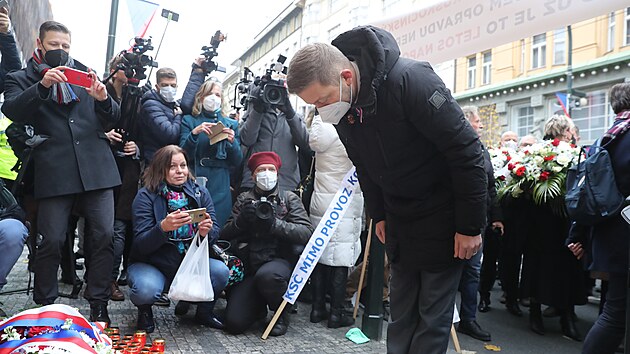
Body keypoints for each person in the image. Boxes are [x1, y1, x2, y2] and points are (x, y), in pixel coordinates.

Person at [287, 26, 487, 353]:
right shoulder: (344, 109)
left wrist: (468, 226)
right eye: (315, 105)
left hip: (445, 219)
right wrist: (378, 215)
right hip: (399, 221)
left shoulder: (412, 81)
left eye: (322, 99)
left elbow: (466, 151)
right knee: (401, 315)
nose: (323, 110)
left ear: (347, 77)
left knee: (431, 319)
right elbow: (365, 167)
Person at [2, 21, 121, 323]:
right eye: (54, 45)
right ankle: (45, 305)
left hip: (96, 166)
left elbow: (112, 118)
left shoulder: (84, 72)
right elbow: (13, 110)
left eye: (65, 46)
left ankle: (98, 302)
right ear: (39, 44)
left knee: (104, 235)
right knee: (51, 239)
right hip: (54, 169)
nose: (61, 50)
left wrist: (104, 99)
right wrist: (42, 86)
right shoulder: (21, 77)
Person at [129, 145, 229, 333]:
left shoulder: (200, 192)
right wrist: (163, 228)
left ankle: (204, 311)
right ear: (161, 169)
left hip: (188, 261)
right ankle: (144, 311)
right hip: (153, 263)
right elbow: (140, 244)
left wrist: (205, 232)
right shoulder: (145, 196)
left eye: (183, 165)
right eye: (172, 166)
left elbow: (215, 232)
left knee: (221, 272)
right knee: (145, 289)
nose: (179, 171)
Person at [221, 151, 313, 336]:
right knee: (234, 323)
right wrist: (241, 222)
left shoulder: (289, 198)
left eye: (271, 169)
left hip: (277, 260)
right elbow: (224, 234)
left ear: (277, 173)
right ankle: (257, 308)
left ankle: (281, 314)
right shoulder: (244, 198)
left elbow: (306, 232)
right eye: (261, 169)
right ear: (253, 175)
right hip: (249, 265)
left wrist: (274, 224)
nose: (266, 173)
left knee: (268, 276)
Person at [569, 83, 630, 354]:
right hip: (625, 234)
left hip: (612, 235)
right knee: (615, 316)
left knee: (614, 312)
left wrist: (577, 235)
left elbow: (592, 192)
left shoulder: (606, 138)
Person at [521, 114, 585, 341]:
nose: (571, 135)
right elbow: (527, 182)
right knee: (539, 264)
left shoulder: (575, 153)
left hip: (565, 218)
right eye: (569, 131)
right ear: (564, 131)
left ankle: (567, 314)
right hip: (542, 219)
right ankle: (535, 312)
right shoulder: (539, 152)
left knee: (566, 265)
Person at [308, 112, 364, 328]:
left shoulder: (320, 126)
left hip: (321, 199)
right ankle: (336, 313)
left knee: (320, 253)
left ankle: (317, 308)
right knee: (340, 257)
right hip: (345, 200)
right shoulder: (348, 126)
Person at [456, 106, 498, 341]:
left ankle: (468, 320)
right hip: (457, 224)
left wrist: (497, 216)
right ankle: (443, 320)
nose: (481, 125)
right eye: (478, 120)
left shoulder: (482, 149)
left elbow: (490, 185)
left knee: (472, 272)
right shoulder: (454, 145)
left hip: (478, 222)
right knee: (450, 274)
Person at [104, 53, 144, 301]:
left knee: (119, 230)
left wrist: (136, 147)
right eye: (124, 67)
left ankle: (110, 280)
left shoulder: (138, 97)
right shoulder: (99, 90)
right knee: (101, 231)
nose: (129, 73)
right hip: (101, 169)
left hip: (127, 173)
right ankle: (95, 279)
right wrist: (103, 135)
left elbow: (147, 133)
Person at [180, 79, 242, 227]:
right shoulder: (189, 120)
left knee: (217, 226)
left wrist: (232, 142)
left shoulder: (230, 124)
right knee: (195, 224)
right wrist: (194, 134)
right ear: (201, 98)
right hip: (196, 178)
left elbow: (238, 160)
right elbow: (182, 153)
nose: (214, 98)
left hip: (220, 182)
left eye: (218, 95)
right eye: (210, 94)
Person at [238, 83, 310, 193]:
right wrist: (257, 110)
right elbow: (247, 139)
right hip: (254, 181)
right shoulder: (255, 113)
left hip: (286, 183)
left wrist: (290, 113)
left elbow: (304, 142)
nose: (274, 93)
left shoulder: (295, 117)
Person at [139, 67, 183, 164]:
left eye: (173, 85)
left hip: (169, 161)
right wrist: (178, 116)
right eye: (165, 85)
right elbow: (170, 135)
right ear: (157, 86)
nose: (169, 89)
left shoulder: (173, 105)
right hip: (155, 162)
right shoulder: (150, 105)